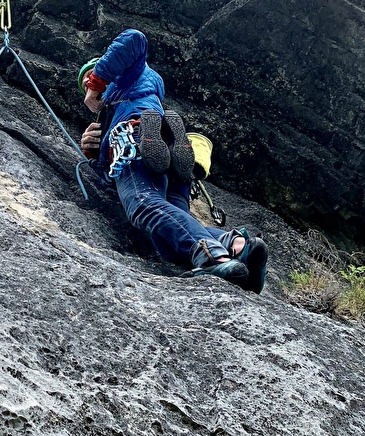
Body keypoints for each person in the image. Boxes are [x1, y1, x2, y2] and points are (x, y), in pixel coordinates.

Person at [78, 29, 267, 291]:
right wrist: (93, 155)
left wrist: (97, 81)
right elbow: (113, 181)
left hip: (134, 139)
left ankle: (212, 255)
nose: (87, 88)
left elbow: (134, 39)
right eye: (85, 86)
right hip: (165, 156)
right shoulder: (123, 106)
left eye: (88, 79)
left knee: (142, 203)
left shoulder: (126, 78)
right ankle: (239, 246)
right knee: (167, 241)